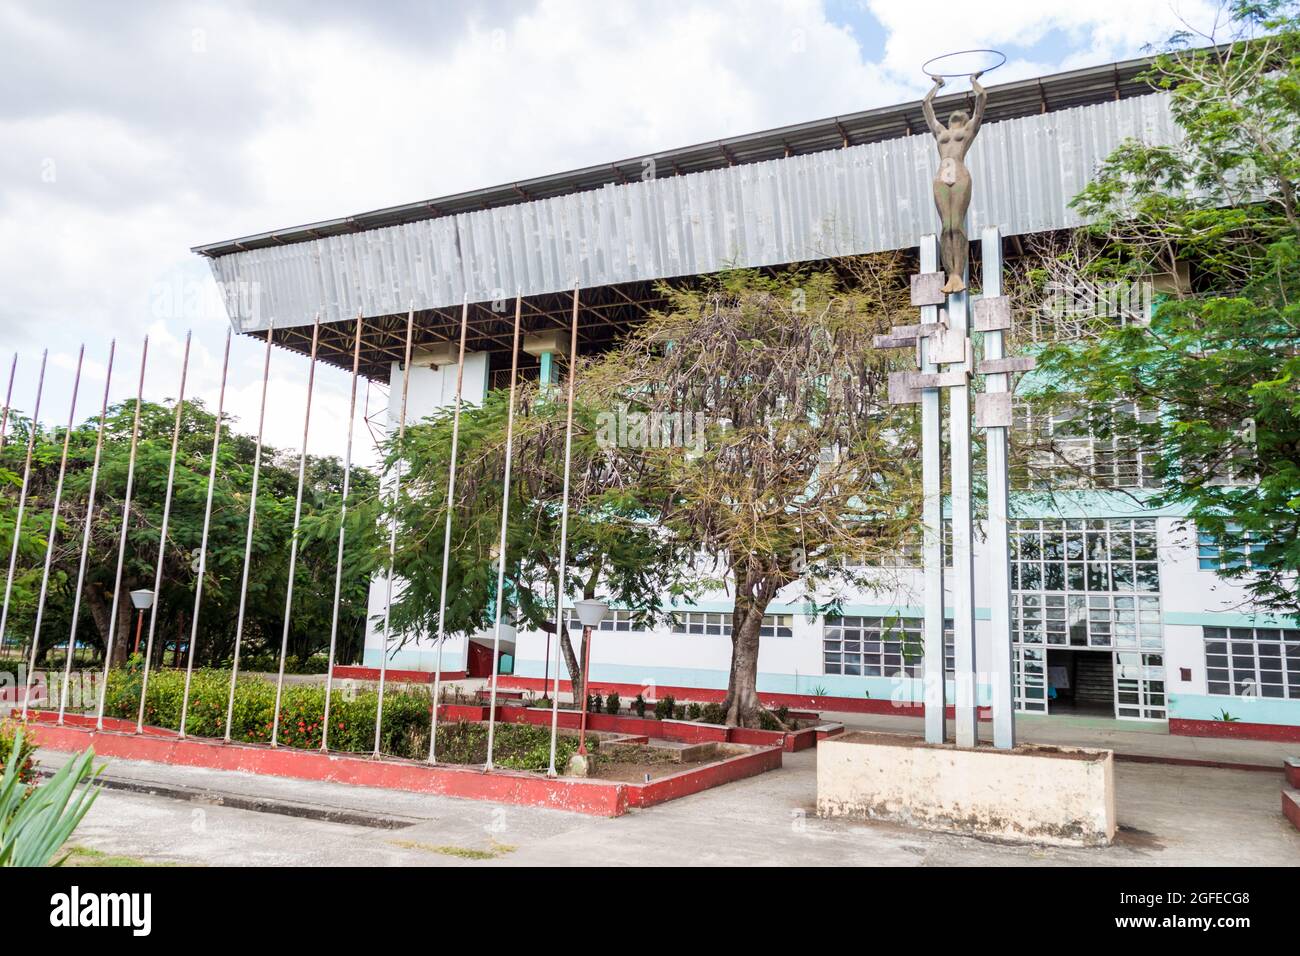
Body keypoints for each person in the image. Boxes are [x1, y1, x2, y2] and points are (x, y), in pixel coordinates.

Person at [922, 71, 987, 294]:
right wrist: (938, 85)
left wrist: (974, 81)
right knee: (945, 227)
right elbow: (925, 104)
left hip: (959, 174)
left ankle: (958, 273)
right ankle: (950, 275)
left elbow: (981, 101)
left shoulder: (968, 130)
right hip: (941, 176)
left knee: (956, 225)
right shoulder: (940, 131)